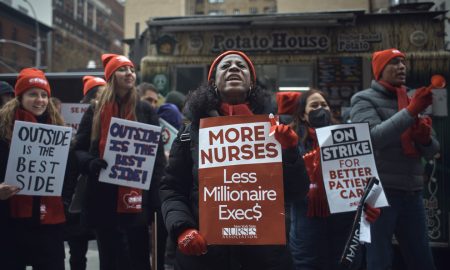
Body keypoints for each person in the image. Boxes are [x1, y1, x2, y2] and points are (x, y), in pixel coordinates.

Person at [160, 50, 302, 270]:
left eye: (241, 66)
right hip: (206, 257)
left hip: (265, 259)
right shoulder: (191, 133)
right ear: (214, 83)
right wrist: (182, 228)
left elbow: (296, 192)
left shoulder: (275, 129)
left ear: (252, 84)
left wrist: (291, 151)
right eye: (225, 67)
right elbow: (172, 188)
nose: (234, 68)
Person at [73, 54, 166, 270]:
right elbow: (78, 150)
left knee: (138, 259)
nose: (129, 74)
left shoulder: (145, 110)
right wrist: (90, 163)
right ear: (111, 76)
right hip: (103, 199)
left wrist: (155, 199)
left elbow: (158, 160)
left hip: (136, 201)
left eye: (132, 70)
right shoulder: (95, 110)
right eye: (123, 70)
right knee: (110, 260)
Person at [350, 48, 440, 270]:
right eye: (394, 63)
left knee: (423, 261)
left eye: (403, 62)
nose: (401, 67)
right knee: (379, 261)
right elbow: (371, 139)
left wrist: (425, 138)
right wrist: (410, 112)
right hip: (379, 195)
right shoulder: (362, 99)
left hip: (412, 192)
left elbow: (433, 151)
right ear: (380, 70)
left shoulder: (412, 97)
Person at [288, 89, 380, 270]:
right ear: (303, 114)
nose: (320, 109)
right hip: (306, 227)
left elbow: (363, 176)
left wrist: (370, 203)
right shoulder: (293, 142)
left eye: (324, 105)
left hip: (344, 227)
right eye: (314, 105)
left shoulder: (349, 138)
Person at [0, 68, 77, 269]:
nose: (40, 100)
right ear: (20, 97)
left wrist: (65, 201)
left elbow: (69, 173)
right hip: (10, 222)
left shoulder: (60, 132)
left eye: (44, 95)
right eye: (32, 94)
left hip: (49, 223)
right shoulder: (2, 131)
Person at [64, 75, 106, 270]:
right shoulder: (89, 114)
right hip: (79, 190)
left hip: (98, 188)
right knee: (77, 249)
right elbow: (76, 150)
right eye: (100, 93)